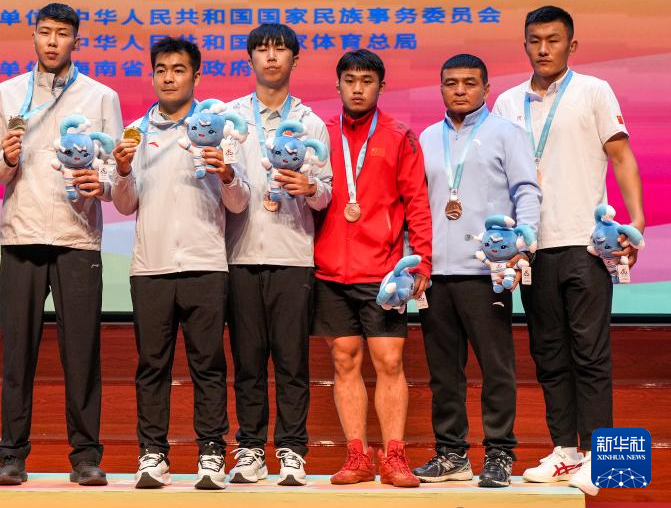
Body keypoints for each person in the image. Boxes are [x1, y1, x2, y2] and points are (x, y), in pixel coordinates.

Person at [492, 6, 645, 496]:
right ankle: (566, 451)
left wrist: (637, 221)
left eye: (553, 40)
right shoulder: (507, 103)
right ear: (524, 45)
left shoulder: (594, 90)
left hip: (586, 244)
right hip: (533, 250)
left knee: (590, 355)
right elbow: (497, 176)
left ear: (571, 45)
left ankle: (602, 458)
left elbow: (621, 155)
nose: (543, 49)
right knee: (549, 355)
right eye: (534, 40)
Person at [0, 3, 122, 486]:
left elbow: (115, 170)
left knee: (82, 353)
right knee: (17, 353)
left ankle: (85, 456)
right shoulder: (6, 94)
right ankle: (11, 455)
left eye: (62, 34)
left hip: (76, 237)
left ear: (75, 41)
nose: (51, 42)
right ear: (34, 36)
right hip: (21, 235)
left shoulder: (101, 96)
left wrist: (101, 183)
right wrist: (6, 158)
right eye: (44, 32)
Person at [112, 37, 250, 490]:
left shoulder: (219, 130)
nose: (169, 77)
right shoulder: (134, 133)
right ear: (152, 75)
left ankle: (211, 453)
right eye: (161, 70)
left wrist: (226, 172)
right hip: (150, 267)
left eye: (178, 69)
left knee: (207, 364)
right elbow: (124, 204)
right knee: (152, 365)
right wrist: (123, 171)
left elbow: (239, 202)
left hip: (205, 263)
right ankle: (152, 455)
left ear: (196, 76)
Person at [414, 54, 541, 487]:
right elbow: (418, 205)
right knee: (443, 372)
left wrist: (524, 246)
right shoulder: (427, 138)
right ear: (441, 88)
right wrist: (415, 259)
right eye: (451, 83)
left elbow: (527, 191)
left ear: (486, 89)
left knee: (496, 368)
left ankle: (500, 453)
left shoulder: (507, 133)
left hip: (488, 272)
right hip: (436, 275)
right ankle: (451, 454)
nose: (460, 90)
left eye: (470, 83)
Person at [312, 49, 432, 489]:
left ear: (381, 86)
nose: (357, 88)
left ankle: (395, 456)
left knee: (389, 360)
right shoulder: (320, 133)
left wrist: (423, 258)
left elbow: (417, 200)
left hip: (383, 274)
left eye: (366, 80)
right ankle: (358, 456)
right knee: (344, 359)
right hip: (329, 271)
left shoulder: (400, 136)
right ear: (338, 84)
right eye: (350, 80)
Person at [224, 24, 332, 486]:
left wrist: (310, 187)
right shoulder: (230, 118)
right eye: (263, 50)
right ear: (250, 58)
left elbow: (326, 196)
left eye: (280, 50)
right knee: (248, 362)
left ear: (295, 59)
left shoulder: (311, 123)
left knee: (292, 362)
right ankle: (250, 449)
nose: (271, 57)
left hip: (293, 257)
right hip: (239, 255)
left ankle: (291, 450)